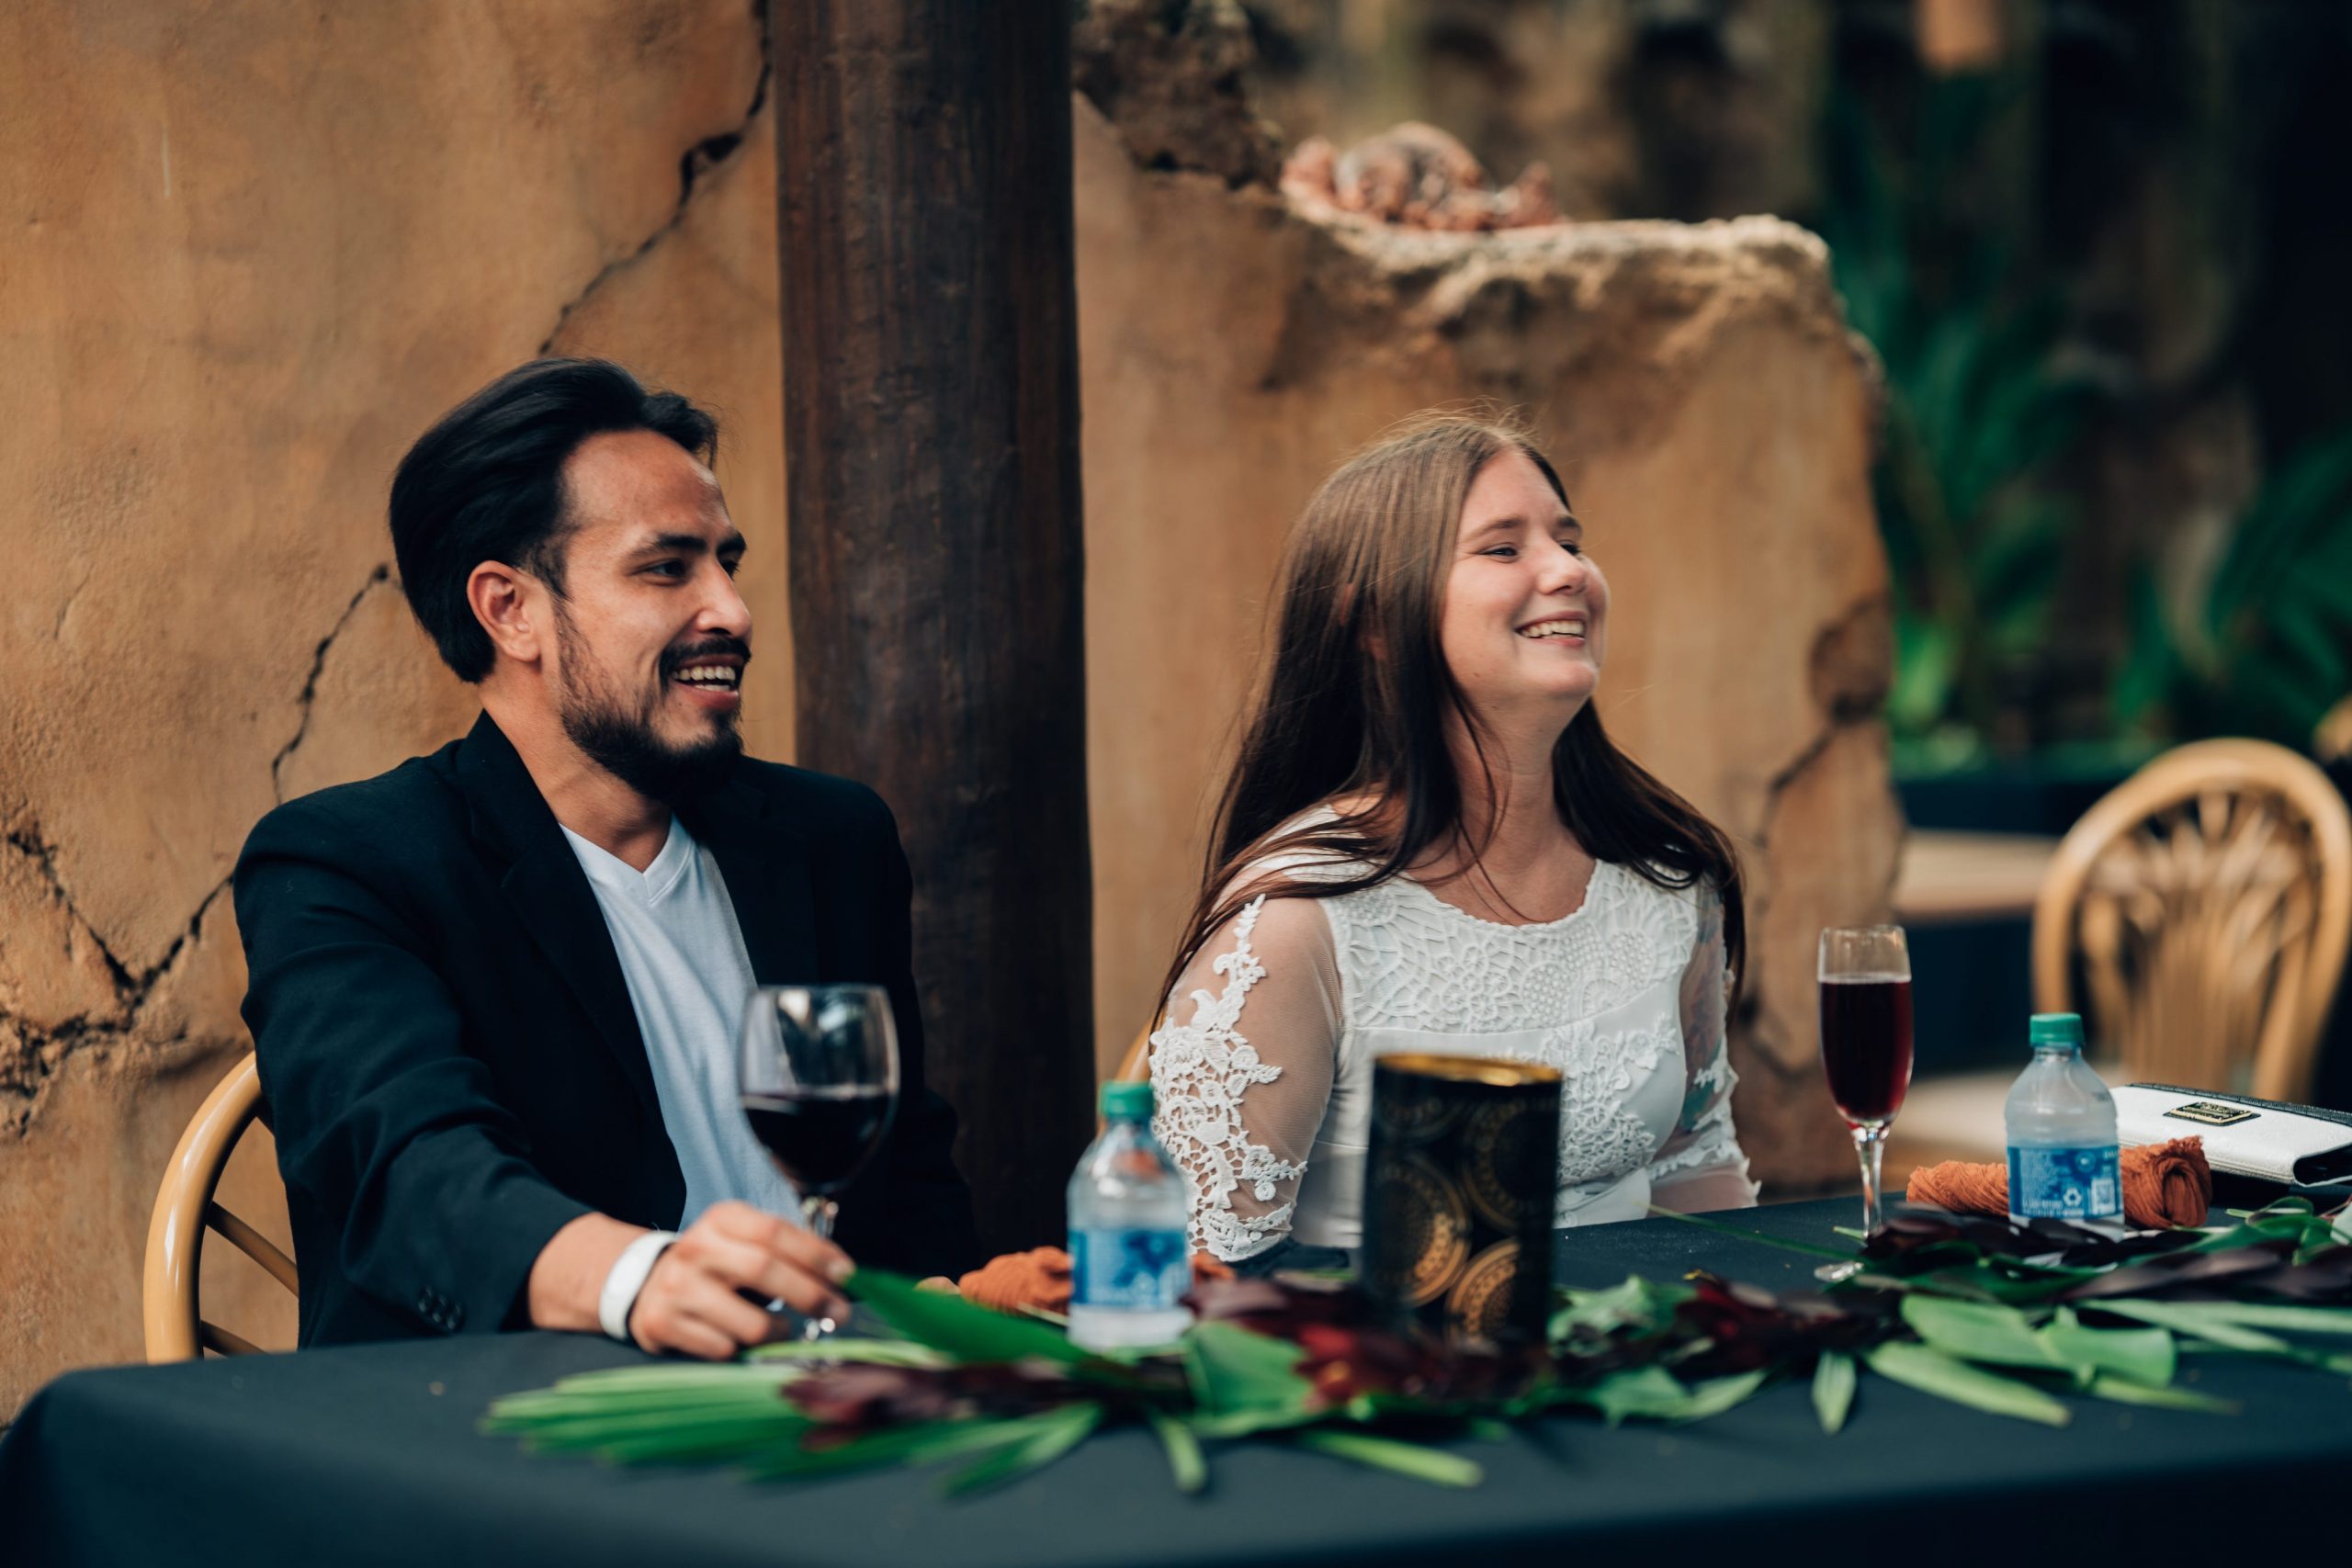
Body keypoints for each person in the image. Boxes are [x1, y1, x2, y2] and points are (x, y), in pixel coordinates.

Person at [234, 358, 978, 1356]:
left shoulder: (830, 840)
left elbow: (902, 1175)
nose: (731, 610)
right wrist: (639, 1279)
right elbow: (410, 1169)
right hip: (513, 1447)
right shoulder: (348, 863)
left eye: (728, 562)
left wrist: (954, 1312)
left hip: (839, 1423)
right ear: (511, 611)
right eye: (666, 568)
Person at [1148, 412, 1758, 1270]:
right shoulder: (1299, 922)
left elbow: (1700, 1178)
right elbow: (1207, 1276)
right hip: (1389, 1388)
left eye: (1569, 539)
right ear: (1377, 625)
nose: (1570, 570)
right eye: (1504, 549)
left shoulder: (1666, 880)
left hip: (1643, 1371)